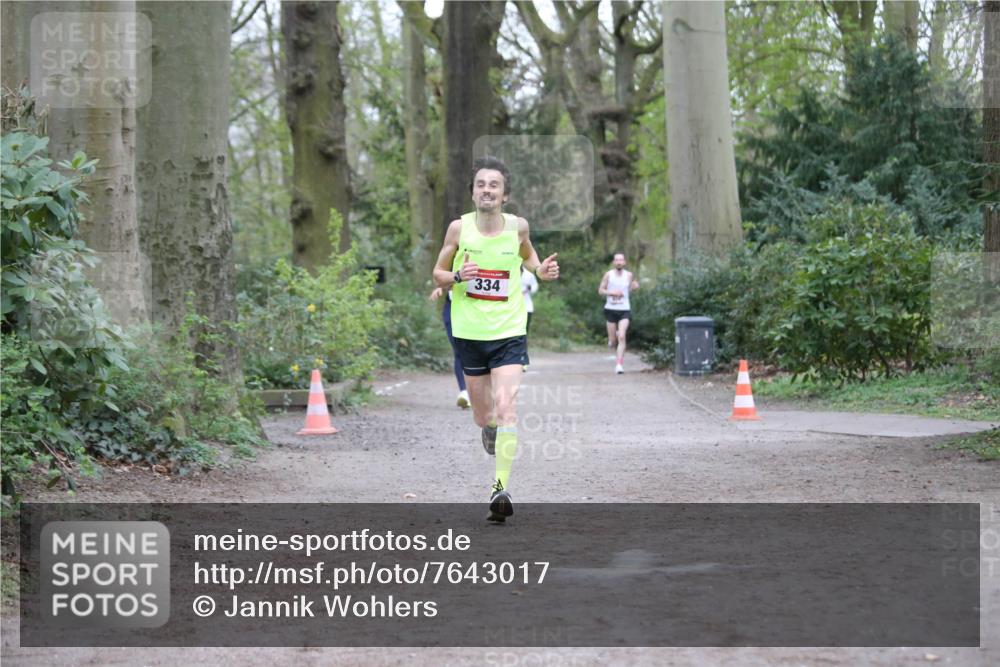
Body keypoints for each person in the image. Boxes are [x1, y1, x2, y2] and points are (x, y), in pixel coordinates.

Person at [432, 155, 560, 522]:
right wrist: (458, 277)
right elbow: (437, 274)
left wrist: (541, 270)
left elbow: (530, 256)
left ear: (505, 195)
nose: (487, 190)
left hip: (509, 331)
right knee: (483, 414)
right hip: (470, 333)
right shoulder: (459, 229)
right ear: (473, 193)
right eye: (481, 185)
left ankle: (499, 488)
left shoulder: (518, 227)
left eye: (494, 185)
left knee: (507, 408)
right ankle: (489, 428)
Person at [429, 286, 470, 408]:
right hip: (452, 308)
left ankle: (479, 391)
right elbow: (442, 275)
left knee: (475, 351)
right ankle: (464, 392)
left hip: (474, 309)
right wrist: (440, 287)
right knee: (458, 351)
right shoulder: (450, 266)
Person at [598, 252, 639, 374]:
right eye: (617, 260)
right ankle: (612, 338)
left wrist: (635, 287)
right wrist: (612, 293)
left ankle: (619, 365)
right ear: (614, 262)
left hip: (624, 310)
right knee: (612, 342)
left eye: (621, 260)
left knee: (622, 336)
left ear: (624, 262)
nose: (619, 262)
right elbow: (600, 290)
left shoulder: (629, 275)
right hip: (610, 309)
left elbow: (631, 288)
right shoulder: (608, 275)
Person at [520, 265, 539, 371]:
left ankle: (524, 360)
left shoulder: (529, 275)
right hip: (512, 308)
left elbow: (535, 287)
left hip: (526, 308)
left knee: (523, 334)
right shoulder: (509, 271)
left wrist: (529, 288)